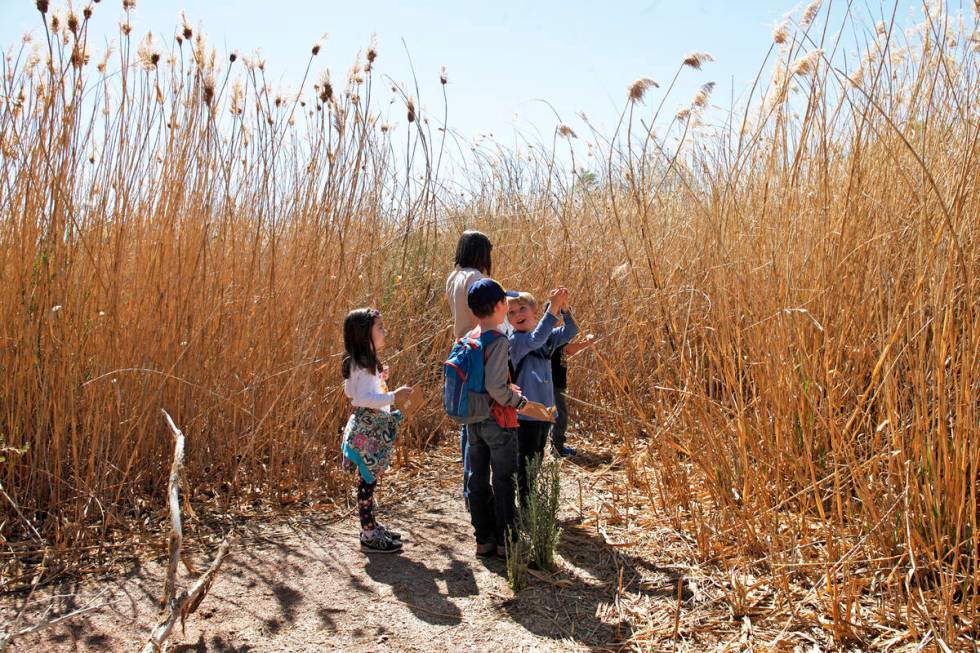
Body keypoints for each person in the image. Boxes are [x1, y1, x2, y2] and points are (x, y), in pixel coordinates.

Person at [340, 308, 414, 554]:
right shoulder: (361, 365)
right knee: (367, 482)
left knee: (368, 480)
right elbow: (361, 397)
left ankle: (370, 528)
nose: (385, 331)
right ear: (364, 335)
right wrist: (394, 395)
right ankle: (369, 533)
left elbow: (352, 392)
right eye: (380, 328)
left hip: (369, 429)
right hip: (369, 432)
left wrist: (380, 377)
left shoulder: (362, 362)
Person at [464, 278, 527, 558]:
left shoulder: (469, 338)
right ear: (500, 305)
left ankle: (484, 540)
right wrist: (517, 400)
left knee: (477, 479)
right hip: (499, 421)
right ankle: (506, 543)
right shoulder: (498, 340)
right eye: (506, 303)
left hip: (473, 420)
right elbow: (496, 387)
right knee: (503, 480)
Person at [507, 288, 579, 502]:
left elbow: (571, 330)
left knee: (536, 458)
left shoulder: (546, 337)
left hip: (544, 410)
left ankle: (528, 500)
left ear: (534, 311)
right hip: (524, 412)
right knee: (525, 459)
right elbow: (535, 340)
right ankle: (524, 504)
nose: (518, 314)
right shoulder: (516, 341)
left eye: (522, 309)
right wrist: (553, 308)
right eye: (511, 313)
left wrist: (564, 308)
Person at [446, 230, 493, 508]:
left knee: (468, 419)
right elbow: (484, 317)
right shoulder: (476, 278)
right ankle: (474, 491)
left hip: (460, 346)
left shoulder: (454, 277)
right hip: (478, 349)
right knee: (477, 419)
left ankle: (469, 488)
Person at [549, 329, 595, 457]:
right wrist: (588, 341)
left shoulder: (552, 335)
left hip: (556, 382)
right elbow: (570, 350)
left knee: (555, 415)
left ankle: (555, 446)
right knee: (560, 416)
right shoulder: (553, 335)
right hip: (554, 383)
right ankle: (557, 449)